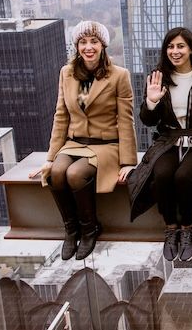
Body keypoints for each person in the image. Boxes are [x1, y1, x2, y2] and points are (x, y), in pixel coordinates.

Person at [33, 20, 137, 260]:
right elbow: (61, 116)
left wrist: (128, 161)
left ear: (103, 45)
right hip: (74, 143)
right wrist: (50, 158)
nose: (88, 47)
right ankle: (71, 230)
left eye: (94, 41)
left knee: (75, 174)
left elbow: (125, 120)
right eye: (83, 42)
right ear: (76, 45)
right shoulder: (66, 73)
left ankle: (90, 229)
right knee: (56, 173)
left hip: (105, 145)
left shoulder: (119, 75)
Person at [127, 27, 192, 262]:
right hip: (169, 140)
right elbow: (148, 121)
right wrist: (151, 102)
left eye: (181, 46)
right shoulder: (158, 78)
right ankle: (171, 227)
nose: (175, 51)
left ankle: (188, 227)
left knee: (184, 177)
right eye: (170, 47)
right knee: (161, 175)